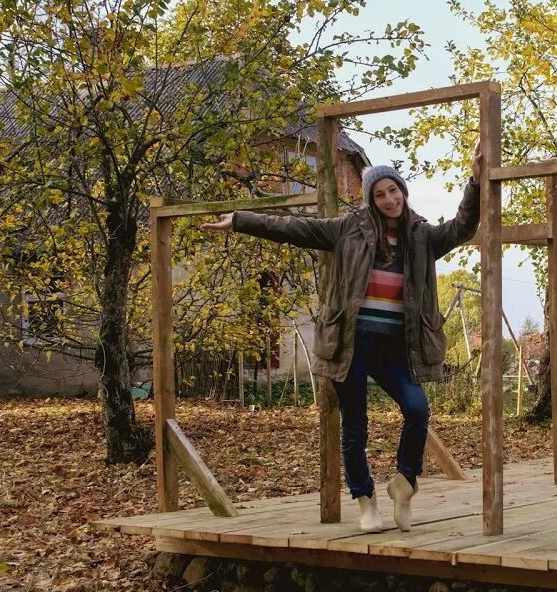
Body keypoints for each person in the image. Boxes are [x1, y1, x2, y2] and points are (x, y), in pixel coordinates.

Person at [202, 143, 484, 533]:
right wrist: (239, 220)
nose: (389, 199)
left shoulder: (423, 237)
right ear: (371, 199)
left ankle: (404, 483)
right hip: (351, 344)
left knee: (417, 410)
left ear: (403, 191)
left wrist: (475, 179)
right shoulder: (348, 229)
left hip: (397, 348)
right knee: (355, 425)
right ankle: (366, 501)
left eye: (394, 190)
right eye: (380, 194)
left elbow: (464, 226)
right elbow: (293, 228)